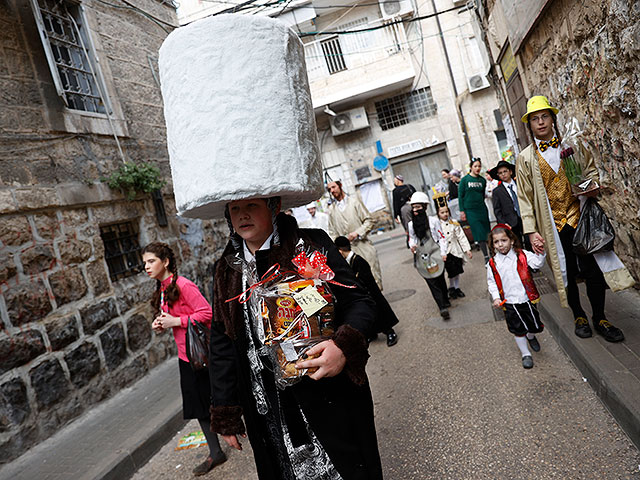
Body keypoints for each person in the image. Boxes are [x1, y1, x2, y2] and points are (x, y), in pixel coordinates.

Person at [210, 198, 383, 480]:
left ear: (273, 206)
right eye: (235, 209)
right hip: (267, 409)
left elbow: (360, 302)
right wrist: (225, 409)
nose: (242, 216)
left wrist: (343, 347)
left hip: (326, 392)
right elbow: (221, 340)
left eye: (251, 206)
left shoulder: (311, 245)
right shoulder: (226, 268)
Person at [517, 95, 630, 342]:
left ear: (553, 119)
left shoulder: (572, 146)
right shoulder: (525, 158)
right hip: (553, 226)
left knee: (593, 271)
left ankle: (600, 317)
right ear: (530, 125)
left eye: (544, 116)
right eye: (535, 119)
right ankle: (579, 315)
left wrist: (591, 186)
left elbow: (591, 171)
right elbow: (524, 198)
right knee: (565, 271)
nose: (541, 122)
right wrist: (531, 231)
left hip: (581, 219)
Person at [141, 242, 226, 476]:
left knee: (221, 398)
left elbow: (207, 313)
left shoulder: (184, 285)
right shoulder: (162, 288)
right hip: (186, 357)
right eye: (144, 263)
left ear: (165, 262)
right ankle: (215, 452)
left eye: (151, 261)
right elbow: (172, 317)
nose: (146, 267)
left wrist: (177, 322)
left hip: (202, 355)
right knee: (198, 407)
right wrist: (160, 324)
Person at [486, 225, 547, 369]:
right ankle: (526, 354)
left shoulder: (523, 255)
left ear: (512, 240)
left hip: (527, 299)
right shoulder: (493, 264)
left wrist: (540, 252)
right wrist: (496, 297)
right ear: (492, 244)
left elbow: (538, 263)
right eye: (496, 242)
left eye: (504, 240)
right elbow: (492, 282)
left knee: (534, 325)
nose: (500, 245)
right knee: (517, 329)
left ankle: (531, 336)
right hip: (509, 303)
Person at [334, 235, 399, 347]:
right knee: (367, 316)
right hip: (362, 295)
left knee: (380, 313)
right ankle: (372, 333)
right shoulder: (347, 262)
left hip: (370, 293)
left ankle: (390, 332)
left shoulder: (359, 261)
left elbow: (364, 280)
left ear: (340, 251)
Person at [327, 180, 384, 290]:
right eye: (329, 189)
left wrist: (357, 233)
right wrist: (338, 243)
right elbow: (332, 232)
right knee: (356, 282)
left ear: (340, 186)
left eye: (333, 187)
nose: (332, 191)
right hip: (345, 252)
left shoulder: (354, 202)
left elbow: (369, 220)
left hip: (362, 246)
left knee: (373, 278)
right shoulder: (332, 210)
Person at [407, 191, 451, 319]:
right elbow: (412, 238)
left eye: (418, 207)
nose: (415, 210)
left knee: (439, 277)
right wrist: (412, 245)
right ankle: (442, 306)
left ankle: (445, 298)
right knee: (430, 279)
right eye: (413, 207)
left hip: (436, 253)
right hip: (422, 256)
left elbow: (442, 237)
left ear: (425, 207)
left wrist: (443, 252)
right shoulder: (411, 225)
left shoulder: (434, 221)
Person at [433, 194, 473, 299]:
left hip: (456, 250)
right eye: (442, 212)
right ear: (438, 213)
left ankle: (456, 287)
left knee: (457, 269)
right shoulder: (436, 224)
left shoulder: (454, 223)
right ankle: (451, 288)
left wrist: (467, 249)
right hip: (445, 252)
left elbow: (461, 236)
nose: (445, 214)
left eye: (446, 212)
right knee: (450, 271)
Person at [489, 160, 529, 250]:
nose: (503, 174)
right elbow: (497, 210)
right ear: (498, 175)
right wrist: (503, 224)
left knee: (529, 241)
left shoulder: (519, 185)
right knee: (517, 245)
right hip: (510, 222)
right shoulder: (497, 191)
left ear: (510, 172)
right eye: (500, 173)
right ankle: (522, 263)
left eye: (505, 171)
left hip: (524, 218)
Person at [459, 158, 491, 263]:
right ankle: (486, 256)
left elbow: (482, 194)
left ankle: (492, 253)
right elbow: (461, 196)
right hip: (470, 210)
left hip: (482, 208)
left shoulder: (482, 180)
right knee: (479, 232)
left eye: (479, 166)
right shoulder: (465, 180)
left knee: (487, 231)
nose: (477, 168)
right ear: (471, 167)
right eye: (475, 166)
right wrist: (462, 211)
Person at [391, 174, 416, 246]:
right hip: (414, 207)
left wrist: (396, 215)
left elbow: (396, 203)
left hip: (404, 211)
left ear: (398, 181)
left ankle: (411, 240)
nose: (394, 182)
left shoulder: (395, 191)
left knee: (408, 226)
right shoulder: (410, 186)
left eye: (395, 180)